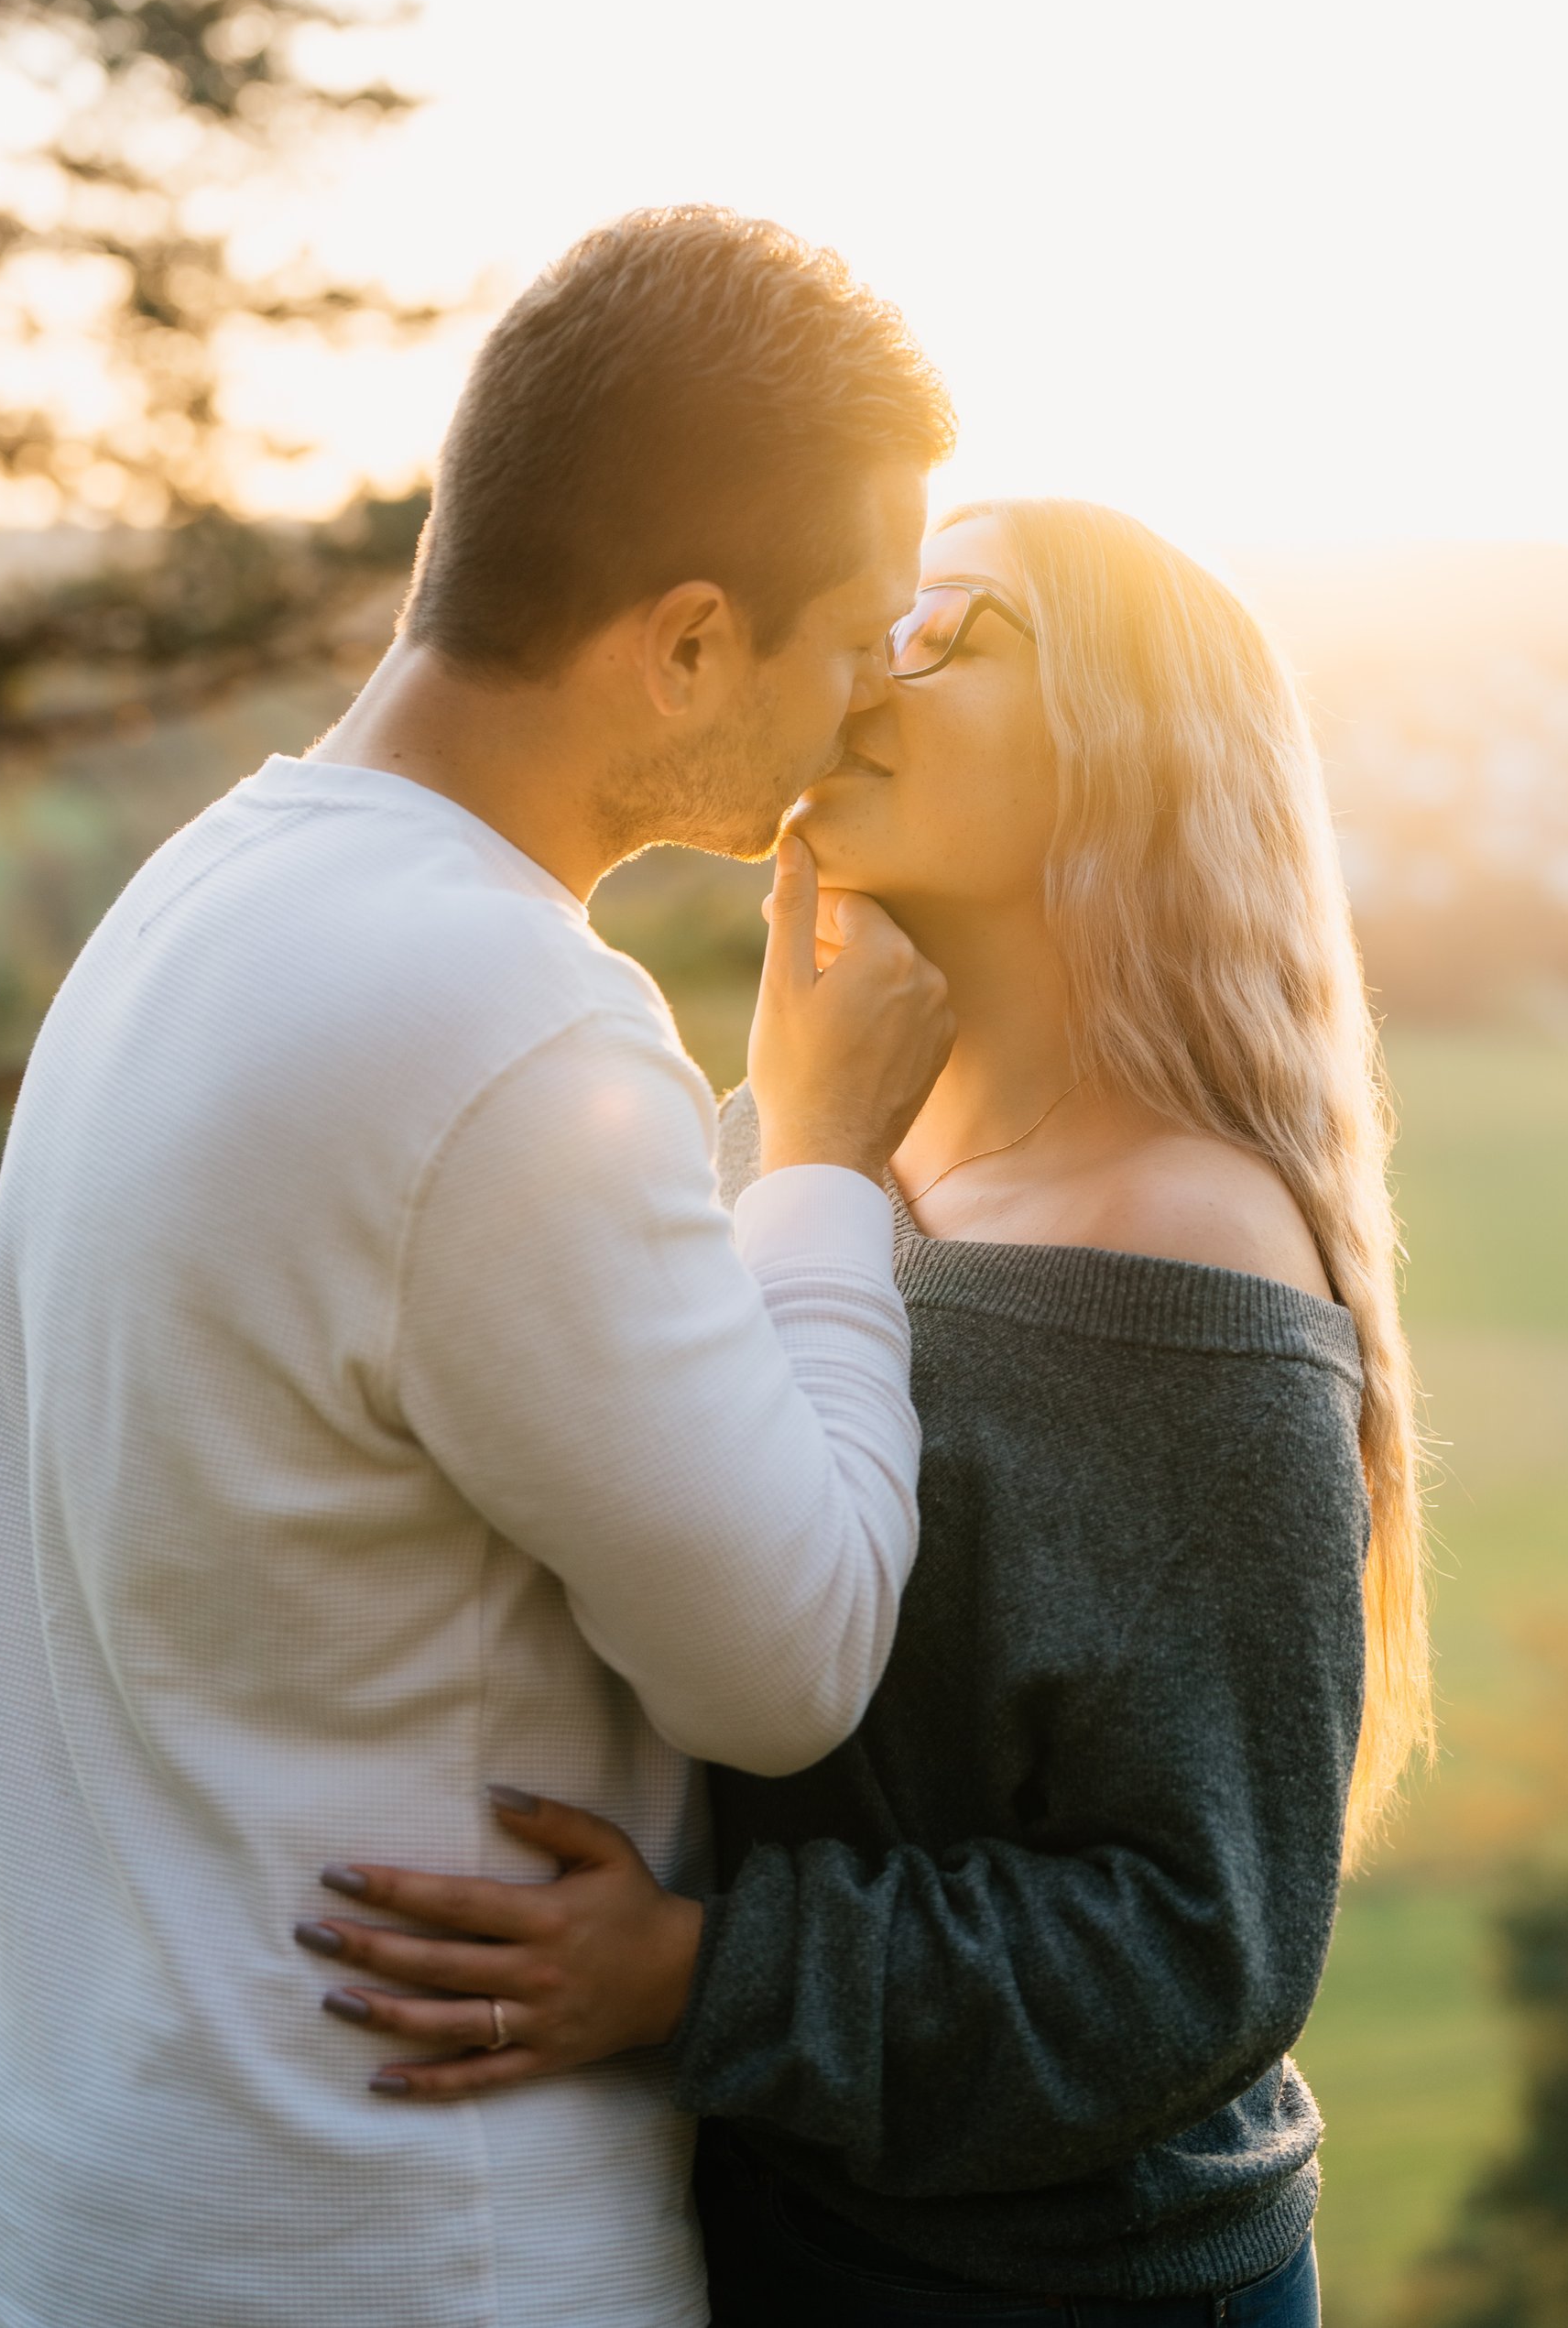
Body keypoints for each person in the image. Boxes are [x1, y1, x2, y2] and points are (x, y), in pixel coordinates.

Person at [0, 208, 961, 2328]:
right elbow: (792, 1654)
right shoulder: (509, 1019)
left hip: (32, 2218)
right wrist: (821, 1158)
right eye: (848, 632)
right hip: (359, 2246)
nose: (869, 695)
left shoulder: (202, 883)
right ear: (679, 641)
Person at [299, 497, 1430, 2328]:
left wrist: (695, 1972)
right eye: (868, 623)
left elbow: (1192, 1946)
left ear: (1125, 753)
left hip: (1064, 2285)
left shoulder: (1190, 1251)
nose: (861, 674)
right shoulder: (798, 1150)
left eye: (948, 636)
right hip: (774, 2234)